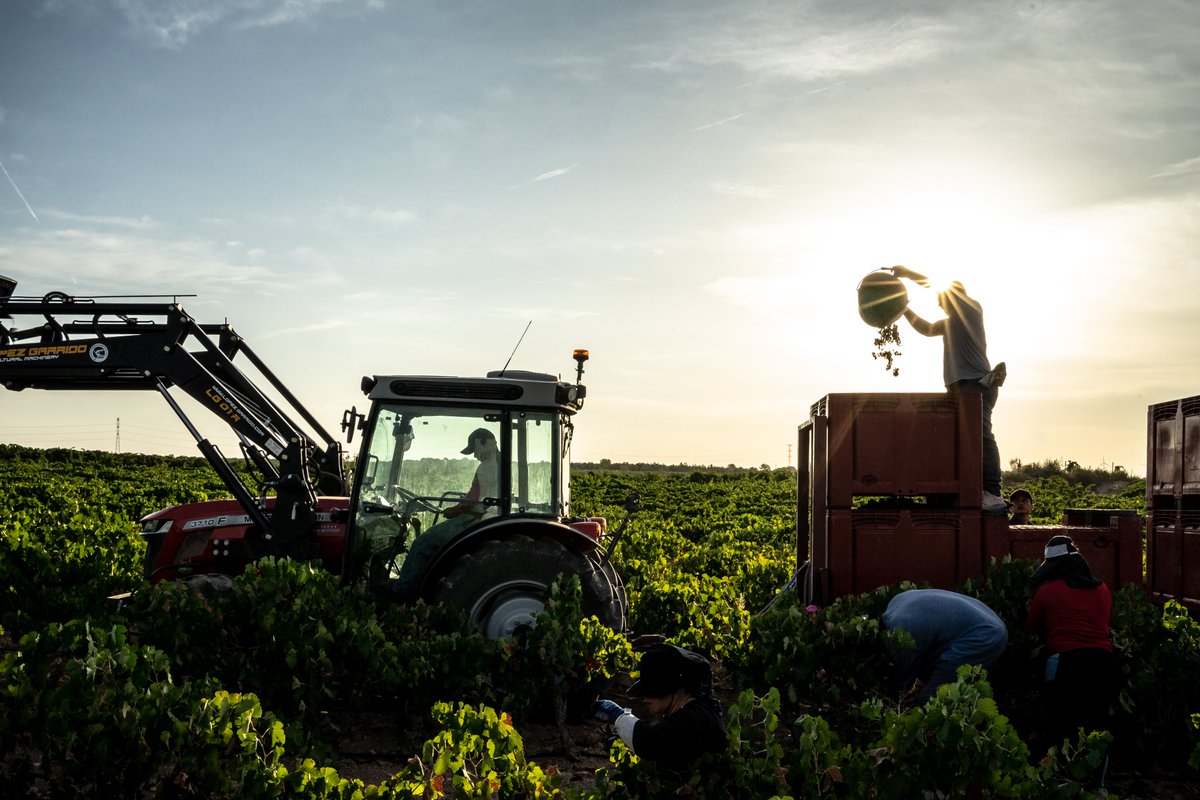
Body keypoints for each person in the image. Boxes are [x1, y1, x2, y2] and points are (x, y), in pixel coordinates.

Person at [887, 265, 1007, 512]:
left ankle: (992, 492)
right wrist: (904, 309)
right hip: (960, 387)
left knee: (982, 435)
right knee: (964, 438)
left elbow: (939, 288)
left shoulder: (970, 309)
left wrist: (908, 273)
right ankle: (972, 487)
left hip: (976, 383)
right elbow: (926, 328)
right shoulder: (952, 323)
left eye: (942, 301)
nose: (940, 305)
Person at [1025, 535, 1117, 745]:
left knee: (1061, 726)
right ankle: (1095, 777)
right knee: (1096, 729)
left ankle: (1061, 774)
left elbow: (1030, 627)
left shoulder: (1046, 592)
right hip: (1103, 662)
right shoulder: (1102, 589)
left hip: (1063, 662)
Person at [391, 427, 500, 598]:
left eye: (475, 450)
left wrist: (453, 510)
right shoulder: (497, 464)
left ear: (484, 443)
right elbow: (477, 496)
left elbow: (474, 499)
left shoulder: (487, 467)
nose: (474, 455)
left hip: (471, 519)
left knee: (421, 544)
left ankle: (402, 593)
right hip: (478, 516)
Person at [592, 643, 726, 768]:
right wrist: (624, 743)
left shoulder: (693, 719)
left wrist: (618, 716)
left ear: (676, 688)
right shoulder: (696, 710)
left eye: (652, 692)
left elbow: (652, 742)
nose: (645, 699)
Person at [881, 588, 1009, 704]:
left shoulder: (901, 638)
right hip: (985, 619)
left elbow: (899, 687)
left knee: (931, 702)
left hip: (984, 634)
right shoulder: (894, 606)